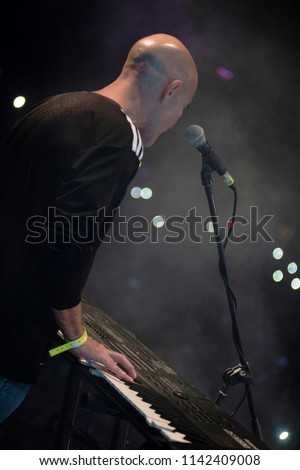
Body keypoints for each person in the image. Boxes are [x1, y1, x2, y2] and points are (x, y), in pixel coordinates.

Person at [0, 33, 198, 423]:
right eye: (182, 109)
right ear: (171, 91)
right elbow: (68, 239)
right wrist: (78, 337)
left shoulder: (57, 106)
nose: (175, 122)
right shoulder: (121, 138)